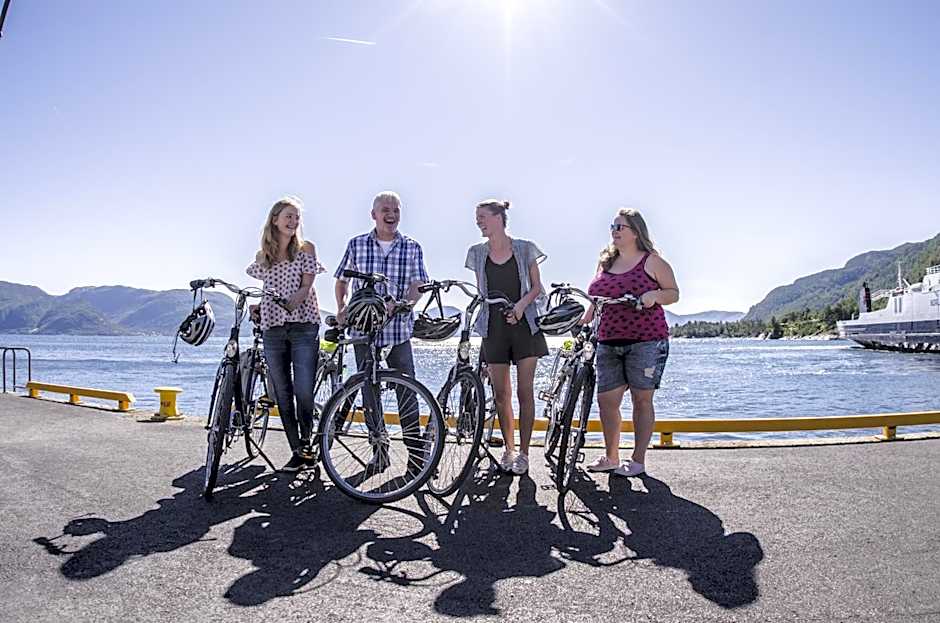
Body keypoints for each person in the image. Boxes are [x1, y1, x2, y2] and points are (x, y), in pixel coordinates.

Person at [333, 191, 429, 470]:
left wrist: (404, 305)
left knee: (407, 391)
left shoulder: (412, 247)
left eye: (396, 210)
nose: (391, 214)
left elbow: (417, 285)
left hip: (398, 331)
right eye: (386, 209)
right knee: (369, 392)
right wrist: (341, 308)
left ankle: (416, 453)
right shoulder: (357, 244)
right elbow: (342, 280)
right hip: (364, 329)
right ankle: (380, 450)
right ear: (373, 214)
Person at [584, 208, 678, 477]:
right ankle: (611, 457)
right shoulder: (605, 262)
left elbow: (673, 293)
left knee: (642, 399)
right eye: (613, 226)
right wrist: (584, 320)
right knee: (606, 400)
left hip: (646, 341)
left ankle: (637, 461)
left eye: (620, 227)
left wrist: (653, 295)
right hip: (608, 338)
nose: (614, 230)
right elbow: (595, 299)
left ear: (636, 232)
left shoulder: (652, 262)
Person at [465, 200, 548, 475]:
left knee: (525, 391)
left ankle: (524, 453)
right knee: (501, 394)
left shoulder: (524, 249)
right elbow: (482, 292)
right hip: (494, 327)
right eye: (477, 218)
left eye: (483, 217)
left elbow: (537, 288)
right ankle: (509, 450)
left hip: (525, 326)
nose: (479, 221)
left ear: (499, 218)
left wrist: (521, 307)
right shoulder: (477, 253)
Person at [246, 196, 324, 472]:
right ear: (275, 219)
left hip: (303, 324)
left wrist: (291, 303)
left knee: (304, 390)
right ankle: (298, 451)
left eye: (296, 217)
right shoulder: (263, 256)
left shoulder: (306, 249)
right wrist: (258, 306)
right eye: (288, 216)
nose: (293, 222)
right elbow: (267, 288)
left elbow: (306, 286)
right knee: (282, 391)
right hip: (273, 326)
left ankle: (308, 443)